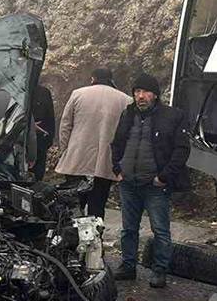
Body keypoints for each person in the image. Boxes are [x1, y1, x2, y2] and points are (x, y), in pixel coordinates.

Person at [111, 73, 191, 288]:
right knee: (128, 229)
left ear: (155, 94)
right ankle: (128, 266)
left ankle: (159, 271)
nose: (140, 96)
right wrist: (117, 169)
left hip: (155, 185)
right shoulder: (128, 114)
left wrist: (164, 177)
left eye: (145, 91)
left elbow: (182, 150)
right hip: (128, 183)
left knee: (160, 230)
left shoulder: (173, 116)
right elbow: (117, 143)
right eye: (137, 91)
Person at [55, 68, 133, 218]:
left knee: (74, 204)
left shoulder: (78, 94)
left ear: (92, 78)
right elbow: (126, 134)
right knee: (98, 205)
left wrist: (65, 150)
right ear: (111, 80)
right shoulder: (125, 100)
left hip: (77, 159)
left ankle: (74, 231)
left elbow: (65, 125)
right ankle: (95, 231)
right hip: (105, 161)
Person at [30, 83, 56, 181]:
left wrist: (49, 136)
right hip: (25, 137)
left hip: (40, 137)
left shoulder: (43, 92)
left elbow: (50, 116)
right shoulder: (42, 92)